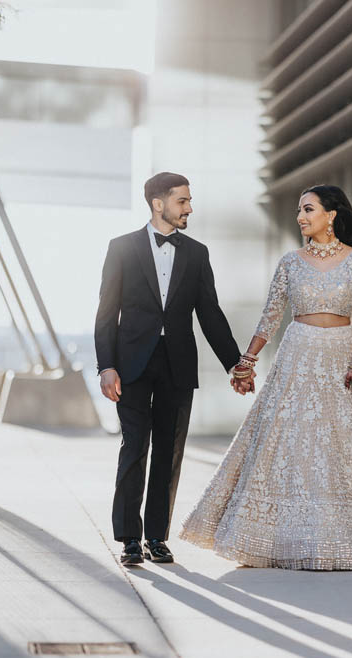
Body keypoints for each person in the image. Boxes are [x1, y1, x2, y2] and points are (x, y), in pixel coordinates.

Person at [179, 184, 352, 570]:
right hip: (297, 353)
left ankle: (344, 536)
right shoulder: (290, 262)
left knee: (338, 444)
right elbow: (271, 315)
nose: (301, 217)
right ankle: (277, 537)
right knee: (286, 441)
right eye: (299, 211)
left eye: (308, 209)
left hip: (340, 354)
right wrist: (246, 362)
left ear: (331, 215)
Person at [94, 172, 249, 567]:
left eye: (189, 200)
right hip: (130, 364)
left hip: (178, 363)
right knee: (134, 446)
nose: (189, 208)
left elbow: (210, 314)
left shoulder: (197, 254)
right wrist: (106, 365)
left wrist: (236, 364)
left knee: (169, 451)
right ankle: (129, 537)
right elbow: (106, 312)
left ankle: (156, 537)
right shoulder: (122, 248)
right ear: (158, 203)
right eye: (183, 201)